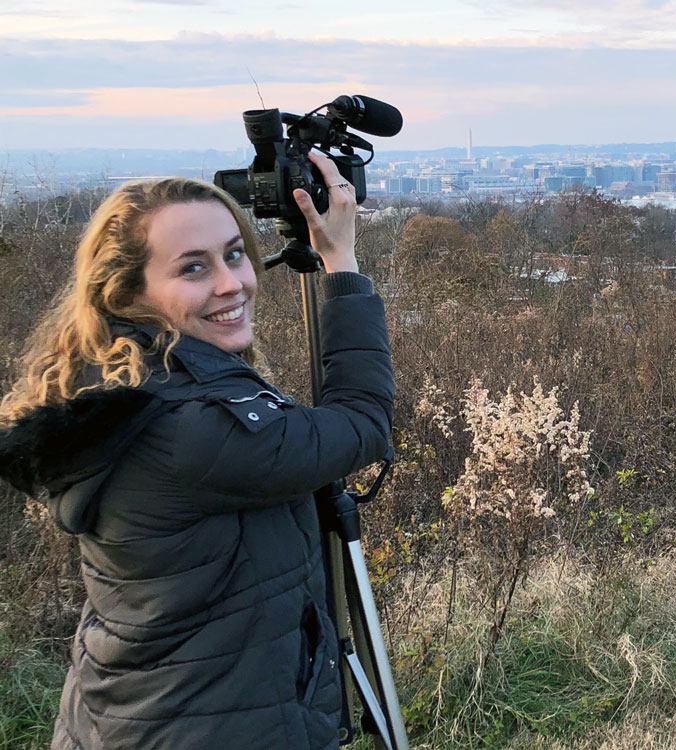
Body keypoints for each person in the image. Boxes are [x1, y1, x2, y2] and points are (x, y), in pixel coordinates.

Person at [0, 152, 393, 749]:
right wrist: (340, 259)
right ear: (130, 291)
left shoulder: (118, 382)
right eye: (192, 268)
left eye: (235, 254)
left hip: (128, 717)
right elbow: (362, 422)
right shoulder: (190, 428)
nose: (231, 283)